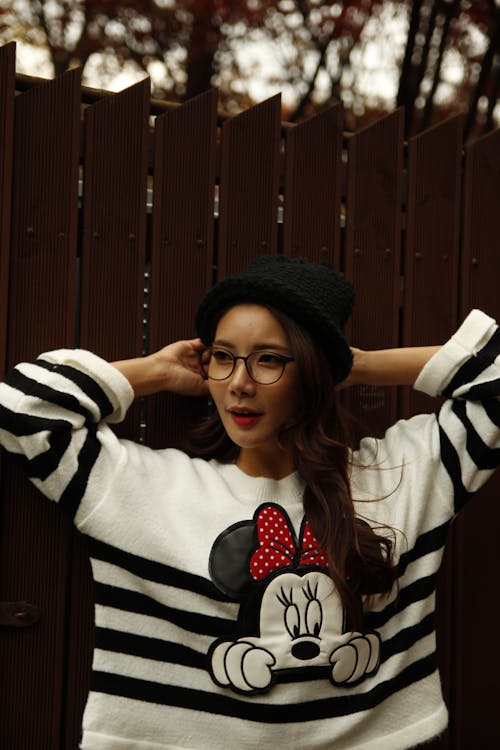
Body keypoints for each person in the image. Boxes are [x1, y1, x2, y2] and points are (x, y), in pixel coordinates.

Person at [0, 254, 498, 750]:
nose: (238, 382)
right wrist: (156, 371)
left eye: (269, 359)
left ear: (314, 372)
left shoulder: (400, 477)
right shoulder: (141, 486)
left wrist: (358, 365)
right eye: (222, 356)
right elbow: (21, 409)